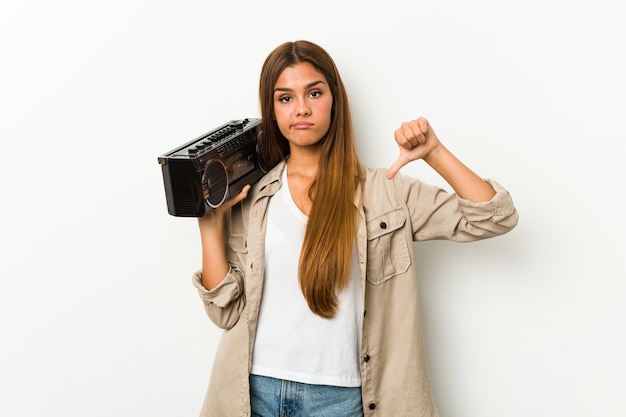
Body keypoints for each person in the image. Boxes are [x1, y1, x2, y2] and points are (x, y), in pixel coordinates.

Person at [192, 40, 518, 417]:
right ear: (272, 109)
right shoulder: (251, 197)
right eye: (285, 98)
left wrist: (434, 152)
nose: (301, 108)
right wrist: (209, 227)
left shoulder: (386, 191)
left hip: (341, 399)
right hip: (253, 393)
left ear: (334, 99)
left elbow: (495, 216)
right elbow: (225, 314)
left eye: (314, 92)